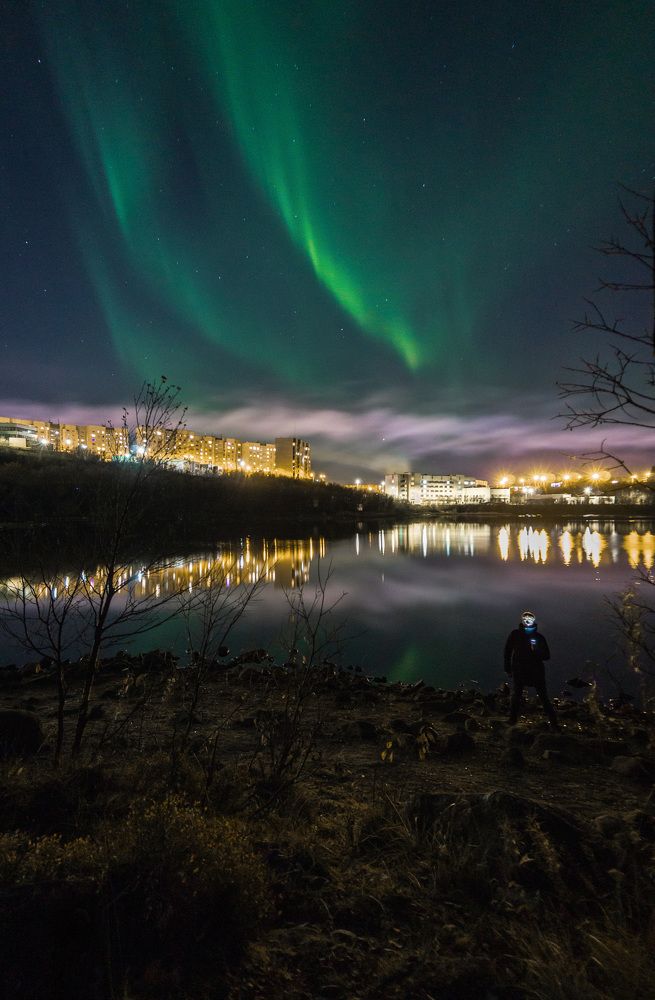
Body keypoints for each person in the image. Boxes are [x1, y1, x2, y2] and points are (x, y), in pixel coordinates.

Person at [504, 610, 558, 728]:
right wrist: (508, 668)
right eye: (525, 619)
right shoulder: (515, 635)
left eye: (530, 619)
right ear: (522, 621)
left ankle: (554, 723)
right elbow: (507, 651)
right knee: (516, 695)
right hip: (519, 670)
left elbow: (547, 656)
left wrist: (536, 650)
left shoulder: (539, 637)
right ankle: (512, 720)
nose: (527, 621)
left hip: (536, 672)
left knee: (543, 697)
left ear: (533, 621)